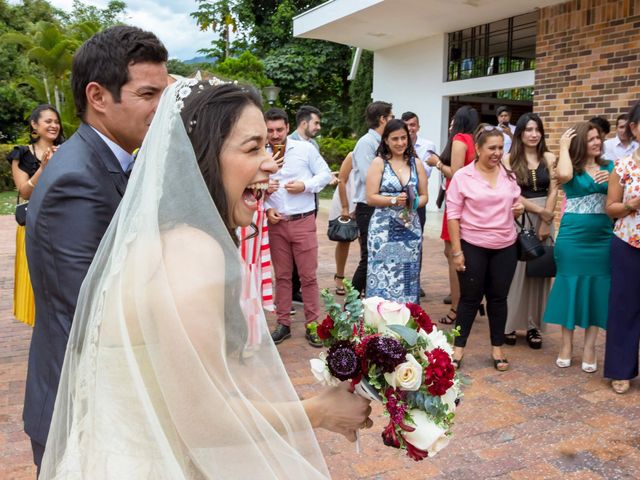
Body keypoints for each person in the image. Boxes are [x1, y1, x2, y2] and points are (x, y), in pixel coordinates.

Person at [40, 80, 372, 479]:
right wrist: (318, 412)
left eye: (268, 146)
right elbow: (200, 418)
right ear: (201, 160)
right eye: (252, 148)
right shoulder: (193, 251)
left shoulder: (163, 238)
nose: (270, 162)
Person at [24, 26, 168, 473]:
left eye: (164, 92)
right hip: (81, 409)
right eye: (148, 94)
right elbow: (94, 313)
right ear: (98, 96)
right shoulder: (77, 180)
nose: (161, 107)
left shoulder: (111, 160)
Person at [446, 126, 523, 371]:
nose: (497, 153)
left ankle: (497, 348)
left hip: (505, 245)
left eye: (500, 148)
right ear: (477, 149)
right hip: (472, 245)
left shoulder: (508, 175)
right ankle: (458, 348)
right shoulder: (463, 176)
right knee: (469, 298)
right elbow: (453, 215)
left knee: (498, 298)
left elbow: (515, 201)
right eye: (492, 148)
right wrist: (457, 252)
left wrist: (518, 208)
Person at [543, 122, 613, 372]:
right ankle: (566, 345)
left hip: (602, 238)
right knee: (569, 286)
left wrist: (614, 180)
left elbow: (621, 197)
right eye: (591, 139)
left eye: (598, 138)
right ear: (580, 143)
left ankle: (591, 347)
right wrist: (563, 145)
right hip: (573, 237)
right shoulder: (569, 167)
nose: (597, 142)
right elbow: (563, 176)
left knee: (597, 289)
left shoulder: (610, 167)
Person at [264, 108, 332, 347]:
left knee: (308, 277)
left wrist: (305, 185)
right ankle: (283, 324)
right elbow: (248, 187)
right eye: (270, 130)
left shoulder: (304, 149)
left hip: (302, 220)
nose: (274, 134)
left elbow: (325, 175)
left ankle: (313, 325)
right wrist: (264, 203)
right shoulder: (259, 153)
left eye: (279, 129)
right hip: (276, 224)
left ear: (287, 128)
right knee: (281, 276)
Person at [503, 113, 558, 349]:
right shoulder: (509, 159)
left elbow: (555, 189)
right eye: (528, 129)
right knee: (516, 273)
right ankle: (510, 324)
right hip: (520, 217)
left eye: (537, 130)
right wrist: (540, 211)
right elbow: (514, 192)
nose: (533, 134)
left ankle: (534, 325)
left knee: (540, 272)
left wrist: (546, 218)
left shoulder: (549, 157)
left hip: (546, 215)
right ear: (520, 133)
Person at [7, 105, 63, 327]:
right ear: (34, 125)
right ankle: (41, 327)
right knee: (36, 280)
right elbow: (24, 191)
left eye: (56, 121)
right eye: (48, 121)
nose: (54, 126)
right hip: (33, 224)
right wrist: (44, 167)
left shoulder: (67, 150)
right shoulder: (21, 154)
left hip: (61, 222)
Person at [365, 119, 428, 303]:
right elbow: (370, 197)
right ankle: (379, 324)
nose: (400, 143)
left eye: (403, 138)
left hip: (409, 228)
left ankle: (407, 320)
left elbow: (425, 196)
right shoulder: (379, 163)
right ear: (385, 140)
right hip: (383, 230)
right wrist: (393, 200)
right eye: (395, 139)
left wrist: (413, 202)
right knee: (382, 275)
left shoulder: (416, 163)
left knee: (408, 277)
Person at [428, 106, 479, 325]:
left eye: (453, 121)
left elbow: (457, 174)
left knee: (453, 253)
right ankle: (470, 300)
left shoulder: (460, 139)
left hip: (457, 203)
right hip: (470, 203)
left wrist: (437, 163)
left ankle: (457, 307)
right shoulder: (475, 140)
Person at [604, 102, 640, 394]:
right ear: (634, 128)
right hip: (628, 244)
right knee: (624, 308)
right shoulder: (623, 167)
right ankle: (620, 369)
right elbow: (611, 208)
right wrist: (631, 204)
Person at [351, 101, 393, 296]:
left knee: (380, 257)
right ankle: (351, 301)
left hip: (381, 206)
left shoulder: (382, 143)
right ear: (382, 119)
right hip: (368, 207)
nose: (392, 121)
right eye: (391, 117)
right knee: (369, 258)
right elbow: (368, 177)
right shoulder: (366, 143)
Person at [288, 105, 322, 307]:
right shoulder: (288, 142)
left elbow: (317, 173)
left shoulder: (313, 145)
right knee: (290, 253)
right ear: (304, 123)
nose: (318, 127)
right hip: (291, 208)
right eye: (315, 122)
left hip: (310, 203)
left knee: (304, 251)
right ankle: (291, 291)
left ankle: (297, 289)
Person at [402, 111, 436, 298]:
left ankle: (415, 280)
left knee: (416, 241)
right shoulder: (396, 144)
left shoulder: (427, 146)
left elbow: (426, 173)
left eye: (413, 125)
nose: (410, 128)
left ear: (418, 127)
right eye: (406, 125)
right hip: (398, 202)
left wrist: (412, 154)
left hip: (418, 201)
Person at [328, 151, 355, 295]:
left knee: (366, 242)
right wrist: (345, 206)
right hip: (346, 198)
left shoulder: (382, 155)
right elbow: (342, 180)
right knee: (344, 239)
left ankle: (364, 279)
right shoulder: (353, 155)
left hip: (365, 200)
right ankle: (339, 276)